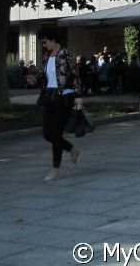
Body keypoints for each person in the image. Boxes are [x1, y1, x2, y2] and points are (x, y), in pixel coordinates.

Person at [38, 29, 82, 181]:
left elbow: (75, 74)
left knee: (55, 132)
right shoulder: (46, 57)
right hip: (50, 96)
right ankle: (72, 149)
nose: (44, 45)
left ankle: (55, 169)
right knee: (47, 133)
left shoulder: (65, 54)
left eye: (45, 42)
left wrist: (77, 95)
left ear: (53, 40)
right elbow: (47, 77)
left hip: (65, 96)